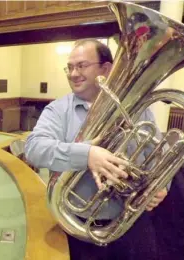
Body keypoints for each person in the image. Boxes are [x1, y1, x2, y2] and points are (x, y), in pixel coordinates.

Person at [25, 39, 168, 260]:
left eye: (81, 66)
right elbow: (34, 148)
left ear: (106, 68)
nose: (73, 73)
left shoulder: (138, 109)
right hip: (81, 226)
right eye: (70, 67)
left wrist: (162, 186)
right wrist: (87, 155)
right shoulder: (58, 110)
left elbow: (159, 154)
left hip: (133, 221)